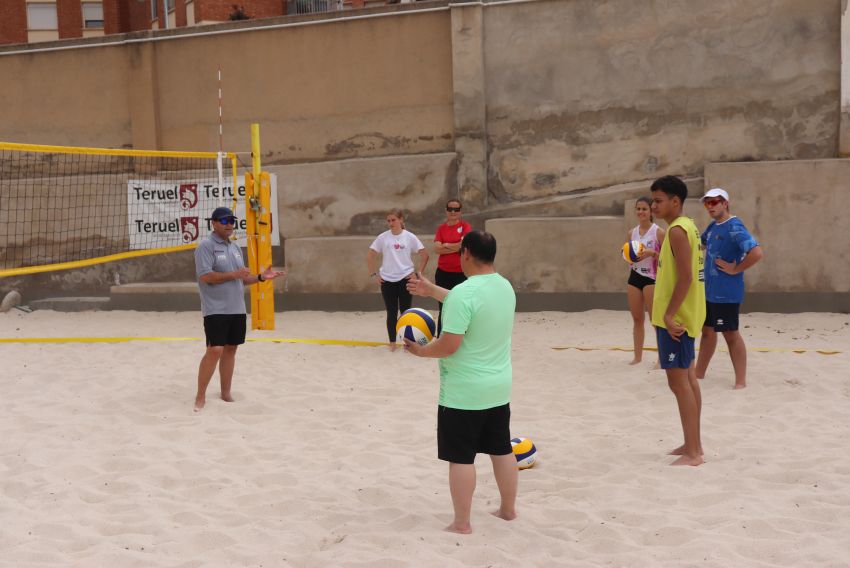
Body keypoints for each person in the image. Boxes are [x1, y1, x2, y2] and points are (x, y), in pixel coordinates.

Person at [404, 230, 518, 534]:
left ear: (465, 253)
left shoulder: (465, 294)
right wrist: (431, 290)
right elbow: (469, 303)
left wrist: (421, 352)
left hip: (464, 392)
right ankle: (508, 510)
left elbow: (448, 345)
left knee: (461, 458)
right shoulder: (505, 286)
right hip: (498, 386)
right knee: (501, 449)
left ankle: (462, 523)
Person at [193, 206, 284, 412]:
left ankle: (226, 393)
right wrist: (235, 274)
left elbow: (242, 279)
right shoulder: (206, 246)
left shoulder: (234, 247)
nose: (229, 225)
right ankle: (200, 396)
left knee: (231, 349)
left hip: (237, 308)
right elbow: (206, 276)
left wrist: (261, 277)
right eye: (224, 221)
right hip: (215, 308)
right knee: (215, 349)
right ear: (214, 223)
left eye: (232, 221)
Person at [650, 176, 706, 467]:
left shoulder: (677, 231)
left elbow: (685, 277)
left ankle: (694, 452)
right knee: (688, 379)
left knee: (679, 381)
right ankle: (692, 442)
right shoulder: (684, 226)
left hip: (678, 319)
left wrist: (670, 315)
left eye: (659, 200)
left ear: (676, 201)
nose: (654, 205)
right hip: (684, 315)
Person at [695, 188, 763, 389]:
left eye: (714, 202)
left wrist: (736, 269)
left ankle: (740, 382)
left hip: (725, 294)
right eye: (707, 203)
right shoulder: (714, 226)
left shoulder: (734, 227)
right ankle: (699, 373)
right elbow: (700, 245)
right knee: (707, 332)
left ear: (725, 203)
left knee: (730, 334)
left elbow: (757, 252)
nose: (710, 206)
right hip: (709, 291)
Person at [366, 208, 429, 350]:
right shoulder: (383, 237)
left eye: (393, 220)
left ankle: (408, 343)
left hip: (405, 279)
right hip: (387, 281)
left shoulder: (410, 237)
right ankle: (392, 343)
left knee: (406, 312)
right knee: (391, 312)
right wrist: (374, 274)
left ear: (401, 220)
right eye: (388, 221)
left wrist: (418, 274)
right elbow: (370, 256)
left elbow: (425, 255)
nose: (390, 223)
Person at [625, 197, 665, 364]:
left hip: (651, 277)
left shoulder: (658, 232)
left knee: (655, 320)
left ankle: (661, 357)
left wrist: (652, 253)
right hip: (635, 276)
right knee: (637, 319)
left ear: (651, 212)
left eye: (644, 209)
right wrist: (628, 256)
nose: (641, 212)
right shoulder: (631, 233)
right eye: (638, 209)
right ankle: (637, 356)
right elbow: (630, 257)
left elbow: (667, 258)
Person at [433, 198, 472, 336]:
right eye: (450, 209)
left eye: (456, 209)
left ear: (460, 211)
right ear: (446, 211)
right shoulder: (441, 228)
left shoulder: (466, 226)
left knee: (461, 307)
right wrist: (454, 246)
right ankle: (441, 337)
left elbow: (463, 246)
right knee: (443, 307)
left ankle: (463, 336)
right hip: (443, 273)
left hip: (460, 273)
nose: (453, 212)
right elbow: (437, 249)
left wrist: (446, 245)